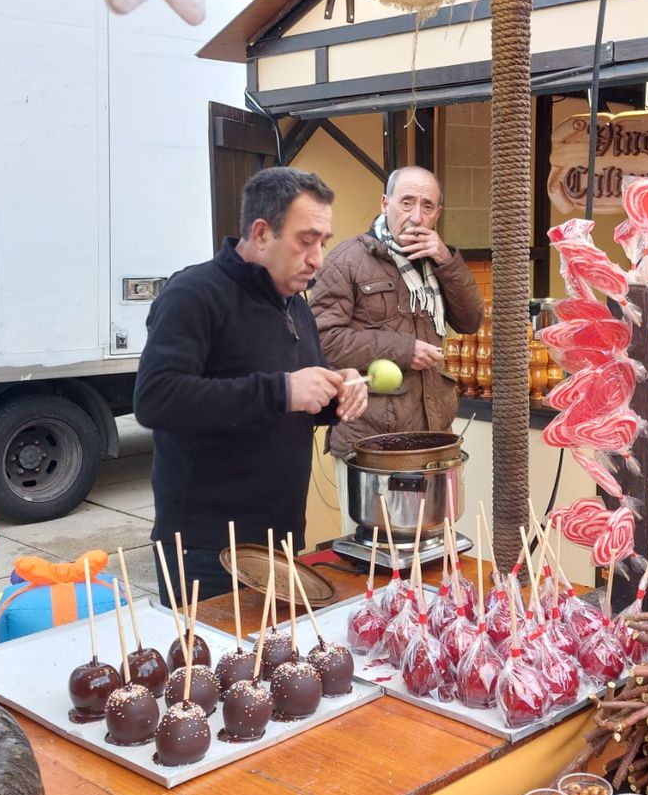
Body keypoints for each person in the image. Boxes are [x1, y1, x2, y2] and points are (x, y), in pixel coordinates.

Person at [133, 167, 367, 605]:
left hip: (280, 538)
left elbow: (295, 391)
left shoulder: (293, 303)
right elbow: (156, 398)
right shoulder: (194, 294)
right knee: (208, 672)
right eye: (306, 240)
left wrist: (336, 392)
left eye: (323, 242)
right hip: (207, 548)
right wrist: (283, 391)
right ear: (261, 233)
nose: (318, 258)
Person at [312, 166, 484, 464]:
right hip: (369, 443)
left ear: (437, 213)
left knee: (436, 515)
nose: (417, 216)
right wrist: (404, 350)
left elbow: (470, 320)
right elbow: (323, 339)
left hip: (433, 436)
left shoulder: (437, 261)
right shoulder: (347, 261)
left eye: (427, 206)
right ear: (384, 204)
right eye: (407, 202)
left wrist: (446, 260)